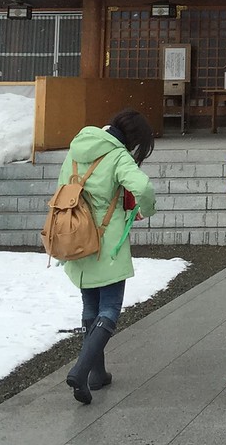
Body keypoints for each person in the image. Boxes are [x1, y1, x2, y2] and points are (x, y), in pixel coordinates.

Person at [58, 108, 157, 404]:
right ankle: (81, 368)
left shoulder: (77, 147)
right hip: (106, 238)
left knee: (91, 305)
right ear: (134, 139)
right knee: (110, 308)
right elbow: (144, 187)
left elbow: (64, 188)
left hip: (76, 234)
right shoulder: (118, 155)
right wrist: (146, 210)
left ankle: (96, 375)